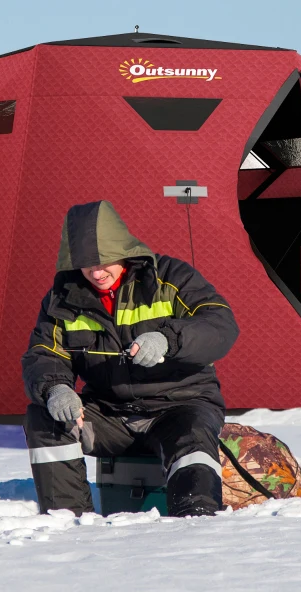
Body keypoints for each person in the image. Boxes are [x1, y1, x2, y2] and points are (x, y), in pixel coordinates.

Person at [22, 200, 239, 517]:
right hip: (110, 416)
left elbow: (220, 324)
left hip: (181, 406)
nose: (97, 273)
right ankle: (68, 520)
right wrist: (56, 388)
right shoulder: (62, 297)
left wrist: (167, 340)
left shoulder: (170, 276)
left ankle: (195, 519)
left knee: (192, 437)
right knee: (45, 417)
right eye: (86, 264)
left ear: (123, 250)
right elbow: (44, 352)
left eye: (104, 261)